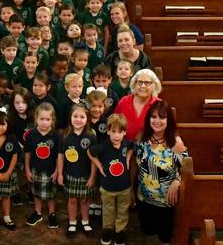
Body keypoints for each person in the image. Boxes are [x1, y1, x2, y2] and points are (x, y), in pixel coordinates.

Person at [135, 99, 188, 244]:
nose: (157, 121)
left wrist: (177, 182)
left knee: (164, 238)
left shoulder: (175, 143)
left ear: (168, 120)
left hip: (165, 202)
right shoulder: (142, 138)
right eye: (153, 117)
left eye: (162, 117)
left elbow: (188, 169)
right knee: (147, 233)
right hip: (144, 199)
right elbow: (135, 164)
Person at [88, 112, 134, 245]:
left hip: (124, 187)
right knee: (108, 210)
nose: (116, 135)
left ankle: (120, 232)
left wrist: (128, 157)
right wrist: (99, 166)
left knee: (122, 210)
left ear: (125, 132)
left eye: (120, 132)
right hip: (107, 187)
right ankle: (107, 230)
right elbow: (90, 152)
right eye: (113, 131)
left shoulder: (126, 143)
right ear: (108, 131)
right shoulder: (104, 145)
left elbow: (133, 147)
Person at [57, 102, 97, 237]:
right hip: (70, 174)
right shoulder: (65, 135)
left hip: (85, 174)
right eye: (75, 116)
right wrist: (60, 174)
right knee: (72, 200)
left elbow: (93, 159)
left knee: (85, 200)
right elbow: (61, 156)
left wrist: (92, 177)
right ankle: (72, 222)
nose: (78, 120)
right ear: (70, 117)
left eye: (82, 117)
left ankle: (85, 222)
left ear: (87, 119)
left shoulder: (91, 136)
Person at [24, 102, 60, 228]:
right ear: (36, 119)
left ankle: (52, 214)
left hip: (51, 170)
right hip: (36, 169)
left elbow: (58, 156)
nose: (45, 122)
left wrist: (57, 171)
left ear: (52, 120)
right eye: (42, 119)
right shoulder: (31, 135)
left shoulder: (55, 136)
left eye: (48, 119)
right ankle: (38, 212)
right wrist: (27, 170)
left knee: (51, 194)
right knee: (36, 192)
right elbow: (27, 153)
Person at [112, 68, 160, 142]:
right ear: (134, 84)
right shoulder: (124, 102)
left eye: (147, 83)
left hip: (150, 148)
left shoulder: (159, 105)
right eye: (140, 82)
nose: (143, 86)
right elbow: (114, 125)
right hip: (123, 147)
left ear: (154, 85)